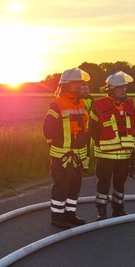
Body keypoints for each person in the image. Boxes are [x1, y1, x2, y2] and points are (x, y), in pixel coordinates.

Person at [43, 68, 90, 229]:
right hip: (62, 156)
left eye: (80, 83)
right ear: (66, 85)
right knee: (61, 186)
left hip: (77, 155)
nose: (79, 86)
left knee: (75, 185)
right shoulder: (57, 104)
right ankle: (57, 217)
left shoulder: (81, 103)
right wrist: (55, 146)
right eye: (75, 83)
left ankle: (70, 213)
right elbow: (47, 129)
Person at [90, 71, 135, 221]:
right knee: (103, 184)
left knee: (120, 183)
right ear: (111, 89)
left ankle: (118, 209)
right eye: (120, 87)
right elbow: (92, 128)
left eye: (125, 87)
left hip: (124, 154)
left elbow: (132, 126)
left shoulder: (129, 104)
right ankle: (101, 212)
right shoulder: (98, 105)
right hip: (105, 154)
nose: (124, 89)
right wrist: (100, 143)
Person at [79, 83, 96, 174]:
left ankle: (85, 167)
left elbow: (93, 111)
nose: (85, 90)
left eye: (87, 88)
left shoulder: (91, 99)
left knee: (88, 148)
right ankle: (79, 167)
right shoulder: (78, 99)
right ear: (80, 90)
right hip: (80, 128)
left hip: (89, 127)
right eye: (83, 89)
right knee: (80, 147)